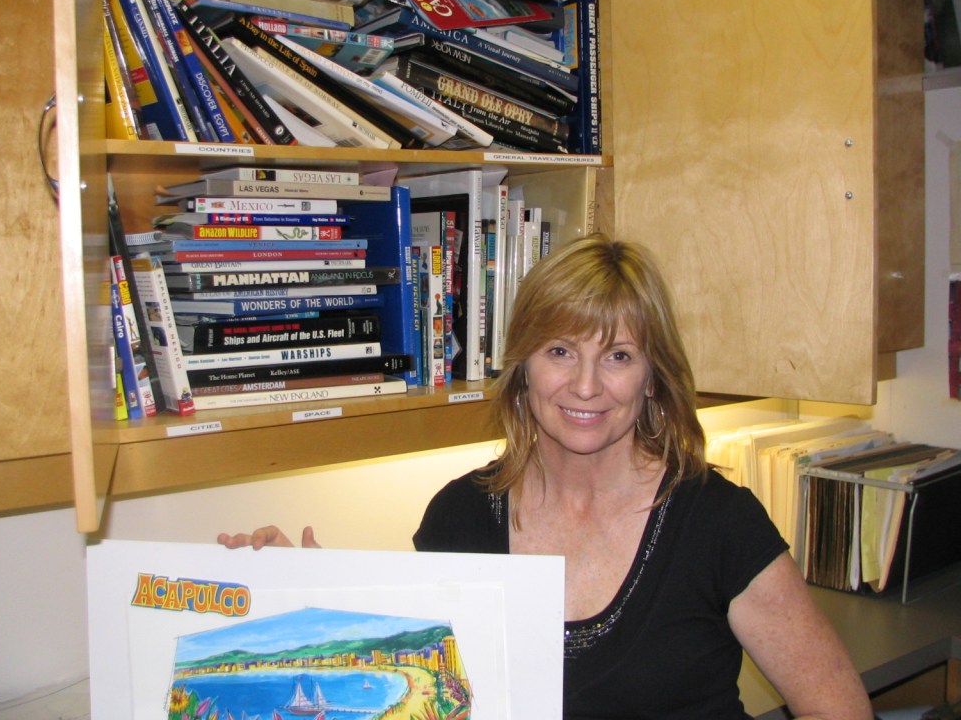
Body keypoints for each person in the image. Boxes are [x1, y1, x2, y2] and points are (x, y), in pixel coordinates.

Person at [219, 234, 873, 720]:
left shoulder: (717, 521)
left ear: (652, 378)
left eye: (618, 356)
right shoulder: (459, 517)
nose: (585, 386)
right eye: (560, 351)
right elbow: (433, 696)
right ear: (523, 367)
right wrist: (297, 603)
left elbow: (837, 709)